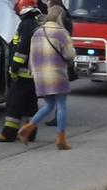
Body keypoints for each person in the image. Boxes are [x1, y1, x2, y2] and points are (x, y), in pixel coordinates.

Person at [0, 0, 44, 142]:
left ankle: (8, 134)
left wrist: (14, 67)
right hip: (34, 74)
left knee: (14, 103)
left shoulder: (26, 25)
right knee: (30, 105)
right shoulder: (38, 22)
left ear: (21, 9)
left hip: (23, 74)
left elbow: (23, 49)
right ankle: (30, 132)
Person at [20, 9, 76, 150]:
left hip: (40, 75)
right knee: (61, 106)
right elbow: (69, 55)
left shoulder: (37, 33)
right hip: (57, 73)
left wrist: (34, 72)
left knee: (49, 105)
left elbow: (32, 55)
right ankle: (61, 139)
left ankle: (28, 128)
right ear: (60, 18)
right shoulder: (62, 33)